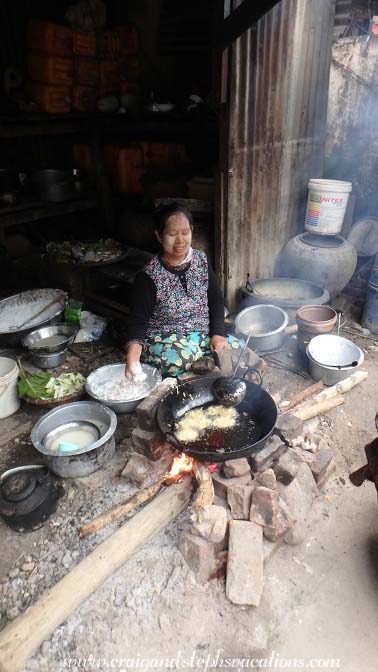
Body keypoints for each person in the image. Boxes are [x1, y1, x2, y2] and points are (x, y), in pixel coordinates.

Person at [125, 203, 241, 379]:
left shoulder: (201, 260)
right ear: (159, 235)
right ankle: (204, 368)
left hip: (202, 335)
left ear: (192, 231)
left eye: (185, 233)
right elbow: (138, 320)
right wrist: (133, 357)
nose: (180, 241)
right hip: (166, 341)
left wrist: (218, 334)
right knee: (177, 360)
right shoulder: (149, 275)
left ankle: (203, 366)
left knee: (237, 349)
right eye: (172, 234)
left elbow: (216, 300)